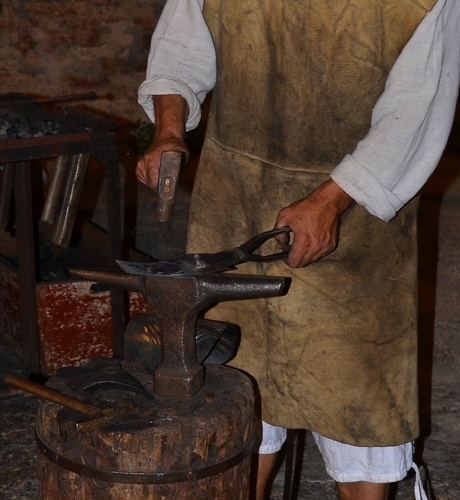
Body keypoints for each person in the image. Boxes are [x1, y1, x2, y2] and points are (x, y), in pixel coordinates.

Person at [136, 1, 460, 498]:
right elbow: (180, 48)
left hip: (357, 214)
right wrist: (168, 131)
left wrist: (330, 200)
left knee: (358, 409)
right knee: (236, 393)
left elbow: (416, 105)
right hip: (234, 203)